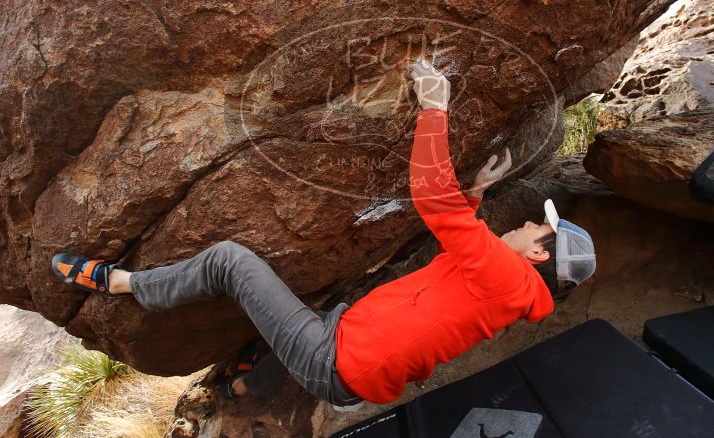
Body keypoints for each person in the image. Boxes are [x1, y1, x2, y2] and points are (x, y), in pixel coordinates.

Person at [51, 60, 596, 407]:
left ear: (541, 256)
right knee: (312, 305)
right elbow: (462, 251)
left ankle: (125, 284)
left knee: (231, 261)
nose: (526, 223)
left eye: (536, 228)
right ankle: (244, 386)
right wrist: (475, 190)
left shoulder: (507, 278)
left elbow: (433, 204)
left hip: (333, 358)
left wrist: (435, 109)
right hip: (347, 354)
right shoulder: (507, 289)